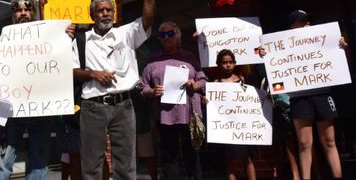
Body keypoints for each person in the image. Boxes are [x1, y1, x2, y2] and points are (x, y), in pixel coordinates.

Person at [72, 0, 155, 179]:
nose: (105, 13)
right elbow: (70, 72)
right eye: (100, 10)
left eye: (109, 9)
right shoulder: (80, 40)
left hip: (124, 107)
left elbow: (148, 17)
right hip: (92, 108)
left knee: (126, 167)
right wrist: (93, 74)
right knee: (91, 167)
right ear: (92, 15)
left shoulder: (126, 33)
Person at [0, 0, 75, 180]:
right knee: (2, 161)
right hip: (10, 109)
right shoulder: (4, 38)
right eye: (18, 10)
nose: (23, 13)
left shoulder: (49, 38)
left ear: (33, 13)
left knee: (38, 162)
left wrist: (65, 37)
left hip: (41, 110)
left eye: (27, 9)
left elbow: (58, 59)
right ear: (13, 15)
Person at [260, 10, 345, 180]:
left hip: (322, 94)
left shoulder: (322, 40)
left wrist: (341, 47)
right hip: (299, 97)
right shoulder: (281, 46)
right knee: (305, 143)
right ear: (292, 25)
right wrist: (265, 55)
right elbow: (274, 70)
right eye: (302, 21)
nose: (307, 24)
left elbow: (340, 65)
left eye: (308, 20)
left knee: (329, 140)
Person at [141, 21, 206, 180]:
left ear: (177, 36)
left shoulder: (189, 57)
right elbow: (142, 87)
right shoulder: (153, 60)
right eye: (162, 35)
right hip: (165, 117)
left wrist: (195, 84)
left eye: (170, 34)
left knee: (192, 155)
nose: (166, 38)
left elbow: (204, 80)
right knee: (170, 158)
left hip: (189, 114)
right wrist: (152, 91)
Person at [214, 49, 257, 180]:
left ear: (235, 63)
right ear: (218, 64)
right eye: (224, 62)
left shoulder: (242, 80)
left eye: (231, 62)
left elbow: (250, 98)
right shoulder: (216, 84)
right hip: (227, 128)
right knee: (230, 160)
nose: (228, 65)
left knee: (247, 158)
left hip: (243, 126)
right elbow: (215, 107)